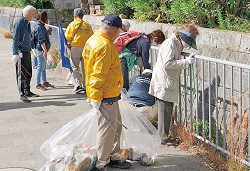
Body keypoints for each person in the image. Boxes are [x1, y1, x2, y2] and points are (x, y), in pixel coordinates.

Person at [82, 14, 132, 171]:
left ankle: (113, 155)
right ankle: (102, 162)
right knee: (107, 130)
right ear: (115, 30)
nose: (119, 34)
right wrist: (95, 97)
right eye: (119, 31)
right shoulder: (105, 46)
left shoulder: (93, 39)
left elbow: (87, 69)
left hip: (106, 93)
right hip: (105, 95)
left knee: (115, 127)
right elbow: (98, 74)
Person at [148, 24, 199, 143]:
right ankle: (162, 137)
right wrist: (186, 61)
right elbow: (167, 63)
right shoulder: (170, 43)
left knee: (167, 108)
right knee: (164, 109)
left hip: (167, 79)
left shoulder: (176, 43)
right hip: (163, 79)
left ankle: (163, 136)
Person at [12, 5, 39, 103]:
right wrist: (15, 53)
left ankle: (27, 90)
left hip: (27, 51)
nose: (34, 16)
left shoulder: (27, 23)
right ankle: (22, 93)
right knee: (22, 74)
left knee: (28, 72)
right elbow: (15, 39)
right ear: (28, 14)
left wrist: (32, 47)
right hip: (21, 52)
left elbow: (29, 36)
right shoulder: (19, 23)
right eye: (33, 14)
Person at [65, 8, 93, 93]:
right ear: (82, 16)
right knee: (85, 68)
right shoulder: (88, 25)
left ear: (74, 15)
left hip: (75, 48)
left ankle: (77, 85)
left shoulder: (72, 24)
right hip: (86, 49)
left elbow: (67, 37)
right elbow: (92, 37)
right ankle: (85, 86)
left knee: (75, 67)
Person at [33, 11, 54, 91]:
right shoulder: (39, 27)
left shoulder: (40, 25)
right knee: (40, 67)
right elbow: (41, 40)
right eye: (47, 17)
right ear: (44, 18)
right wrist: (45, 50)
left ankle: (44, 81)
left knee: (43, 66)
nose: (48, 19)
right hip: (41, 50)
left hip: (41, 49)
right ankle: (38, 84)